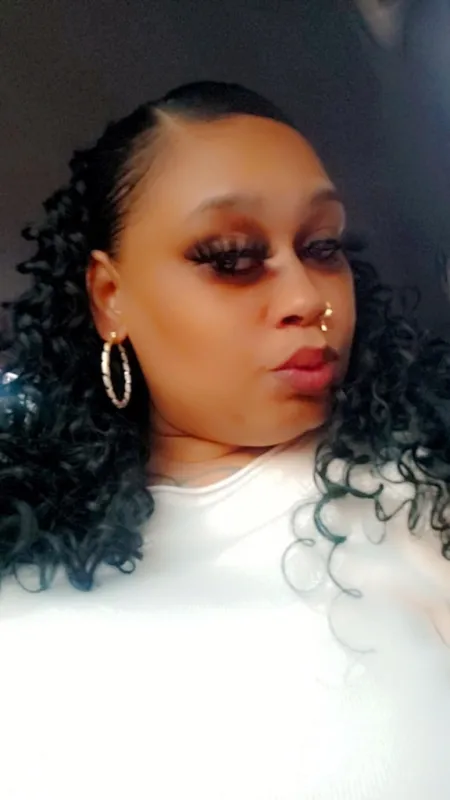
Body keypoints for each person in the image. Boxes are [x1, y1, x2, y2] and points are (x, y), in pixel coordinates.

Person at [1, 80, 450, 800]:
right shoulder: (20, 544)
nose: (308, 298)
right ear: (110, 297)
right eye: (232, 256)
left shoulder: (418, 501)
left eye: (323, 246)